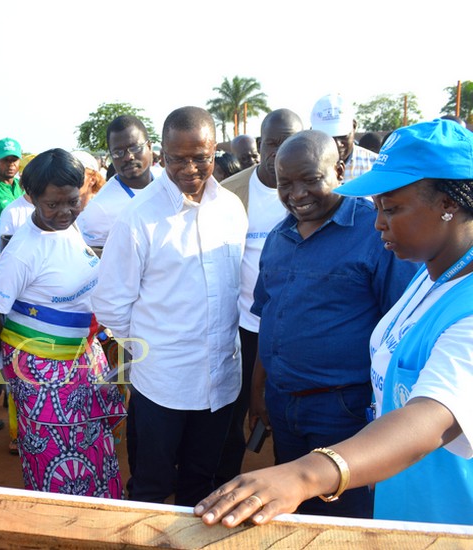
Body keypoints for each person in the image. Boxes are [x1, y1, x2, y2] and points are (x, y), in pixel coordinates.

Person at [196, 119, 473, 527]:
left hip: (445, 514)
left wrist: (304, 474)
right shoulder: (429, 278)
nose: (378, 223)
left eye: (391, 209)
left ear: (448, 204)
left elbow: (431, 416)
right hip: (401, 496)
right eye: (377, 207)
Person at [247, 130, 419, 518]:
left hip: (344, 408)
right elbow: (268, 317)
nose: (297, 193)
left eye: (310, 179)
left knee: (343, 515)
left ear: (339, 170)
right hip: (283, 402)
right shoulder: (278, 236)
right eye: (285, 183)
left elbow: (401, 324)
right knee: (297, 511)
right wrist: (259, 390)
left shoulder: (375, 233)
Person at [93, 106, 247, 506]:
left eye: (201, 157)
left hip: (221, 381)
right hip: (163, 384)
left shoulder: (231, 208)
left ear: (215, 151)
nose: (191, 168)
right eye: (178, 158)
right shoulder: (138, 218)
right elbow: (111, 304)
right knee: (151, 486)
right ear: (162, 153)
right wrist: (154, 347)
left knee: (203, 483)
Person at [0, 149, 126, 498]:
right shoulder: (23, 252)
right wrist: (17, 364)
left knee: (94, 455)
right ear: (30, 198)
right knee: (57, 467)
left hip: (83, 365)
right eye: (53, 205)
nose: (65, 213)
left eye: (72, 202)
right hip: (44, 377)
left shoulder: (70, 228)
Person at [215, 109, 303, 485]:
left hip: (296, 332)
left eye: (289, 143)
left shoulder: (311, 191)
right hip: (242, 328)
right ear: (260, 143)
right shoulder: (230, 192)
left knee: (289, 416)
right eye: (271, 143)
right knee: (231, 418)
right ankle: (223, 486)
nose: (278, 152)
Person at [77, 115, 156, 250]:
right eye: (118, 152)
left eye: (135, 148)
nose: (128, 157)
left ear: (149, 146)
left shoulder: (170, 183)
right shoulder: (98, 211)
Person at [310, 93, 377, 182]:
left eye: (343, 136)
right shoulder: (302, 167)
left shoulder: (375, 166)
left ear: (354, 126)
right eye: (329, 138)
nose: (337, 144)